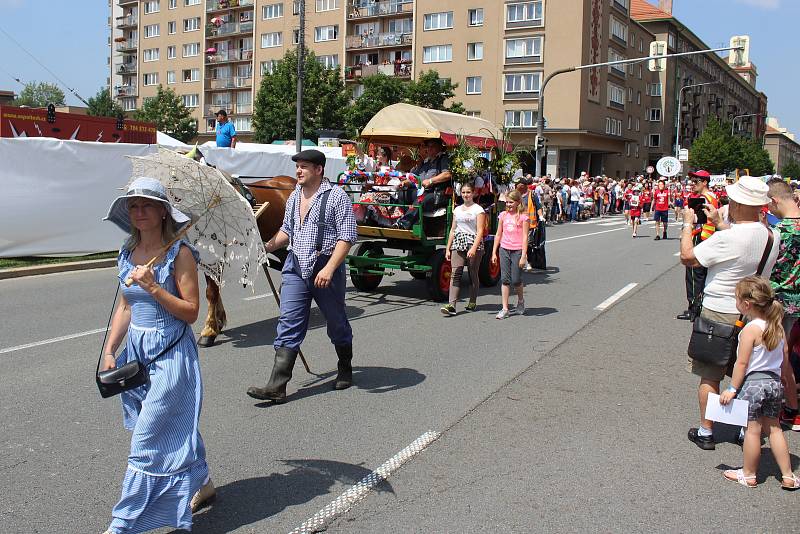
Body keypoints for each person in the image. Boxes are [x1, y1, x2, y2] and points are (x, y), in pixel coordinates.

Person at [100, 177, 214, 533]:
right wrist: (110, 349)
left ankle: (124, 524)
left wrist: (153, 287)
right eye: (133, 206)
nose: (139, 212)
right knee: (174, 424)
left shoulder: (179, 253)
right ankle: (204, 482)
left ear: (164, 211)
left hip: (170, 355)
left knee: (147, 440)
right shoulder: (127, 252)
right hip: (138, 355)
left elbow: (191, 311)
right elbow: (125, 306)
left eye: (147, 205)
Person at [247, 150, 358, 403]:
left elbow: (347, 236)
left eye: (304, 166)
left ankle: (345, 367)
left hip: (325, 266)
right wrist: (264, 248)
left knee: (336, 321)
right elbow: (287, 230)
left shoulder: (336, 196)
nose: (298, 171)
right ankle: (277, 385)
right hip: (296, 265)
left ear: (319, 170)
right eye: (297, 166)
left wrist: (329, 268)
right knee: (289, 322)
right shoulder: (295, 195)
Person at [680, 176, 780, 450]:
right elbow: (742, 242)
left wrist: (688, 224)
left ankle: (706, 430)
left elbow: (688, 257)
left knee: (710, 373)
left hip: (720, 310)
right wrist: (720, 224)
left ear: (736, 203)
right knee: (746, 371)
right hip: (755, 312)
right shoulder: (772, 234)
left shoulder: (729, 237)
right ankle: (743, 429)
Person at [719, 276, 799, 490]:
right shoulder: (778, 328)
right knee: (774, 428)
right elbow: (784, 361)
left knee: (752, 430)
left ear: (747, 305)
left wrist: (732, 389)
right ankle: (788, 475)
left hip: (754, 384)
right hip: (774, 383)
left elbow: (742, 363)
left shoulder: (751, 330)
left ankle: (749, 473)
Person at [766, 179, 800, 430]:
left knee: (779, 355)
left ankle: (787, 408)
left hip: (782, 300)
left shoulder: (781, 232)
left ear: (775, 201)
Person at [677, 170, 719, 321]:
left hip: (700, 237)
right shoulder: (709, 196)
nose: (692, 184)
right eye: (692, 181)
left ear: (705, 182)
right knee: (700, 274)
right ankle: (698, 305)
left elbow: (701, 221)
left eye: (696, 181)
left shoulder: (704, 198)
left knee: (694, 274)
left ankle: (694, 308)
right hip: (704, 237)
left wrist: (688, 226)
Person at [442, 182, 485, 315]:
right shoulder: (457, 209)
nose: (466, 195)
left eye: (468, 192)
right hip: (459, 242)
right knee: (456, 273)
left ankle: (472, 301)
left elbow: (480, 230)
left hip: (473, 242)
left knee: (473, 273)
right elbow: (453, 230)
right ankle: (451, 305)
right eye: (463, 192)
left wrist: (473, 248)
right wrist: (448, 248)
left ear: (473, 193)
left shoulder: (478, 210)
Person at [491, 189, 529, 319]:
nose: (508, 205)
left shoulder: (523, 217)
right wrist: (494, 252)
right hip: (504, 249)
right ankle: (505, 308)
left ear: (518, 202)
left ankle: (521, 301)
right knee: (505, 279)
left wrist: (524, 255)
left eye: (511, 202)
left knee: (516, 279)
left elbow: (525, 237)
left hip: (517, 250)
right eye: (507, 202)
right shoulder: (503, 215)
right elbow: (498, 234)